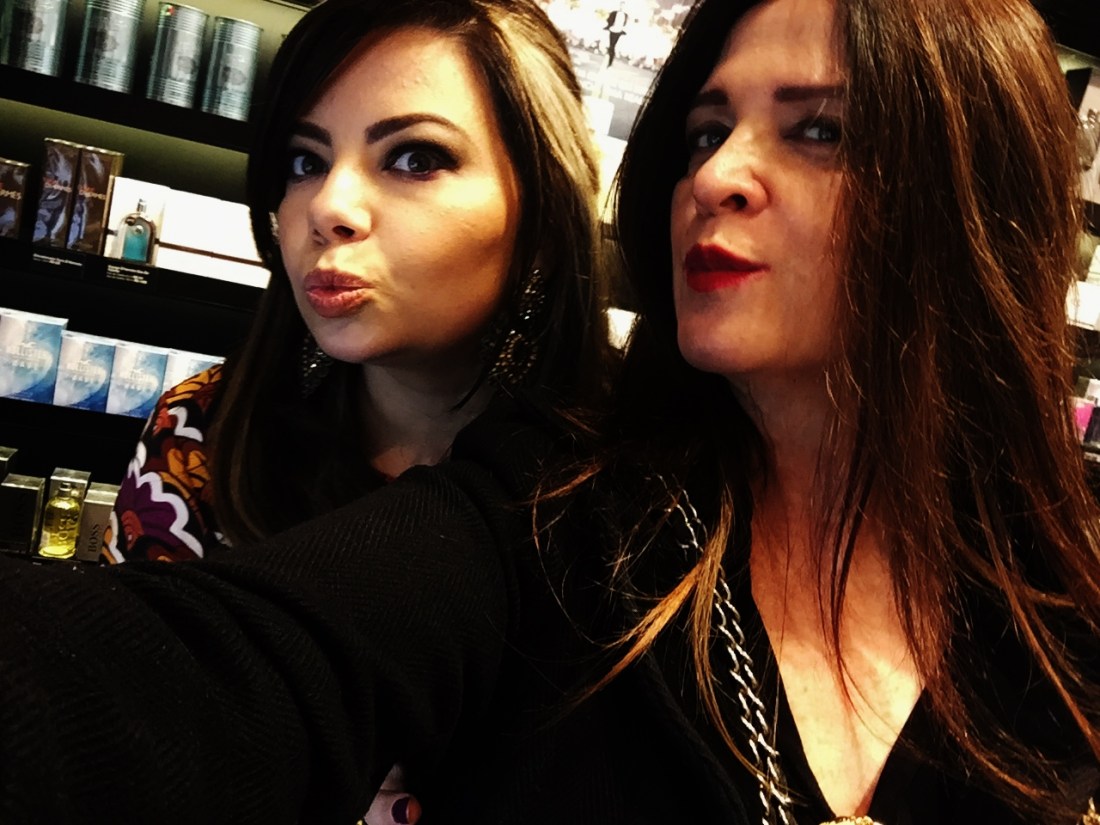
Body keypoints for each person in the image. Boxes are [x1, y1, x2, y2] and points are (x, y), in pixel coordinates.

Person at [0, 0, 1098, 823]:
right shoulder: (553, 508)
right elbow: (190, 678)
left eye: (819, 131)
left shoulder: (1050, 597)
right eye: (703, 132)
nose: (715, 176)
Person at [103, 0, 611, 563]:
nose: (327, 207)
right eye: (305, 162)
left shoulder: (642, 466)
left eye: (416, 159)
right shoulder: (202, 433)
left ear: (545, 220)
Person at [603, 2, 628, 67]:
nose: (622, 7)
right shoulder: (614, 13)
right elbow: (608, 19)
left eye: (623, 6)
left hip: (618, 32)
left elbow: (625, 24)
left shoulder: (625, 15)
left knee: (613, 46)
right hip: (612, 30)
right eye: (621, 5)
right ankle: (610, 59)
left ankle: (610, 60)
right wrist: (610, 25)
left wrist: (622, 29)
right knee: (611, 45)